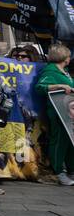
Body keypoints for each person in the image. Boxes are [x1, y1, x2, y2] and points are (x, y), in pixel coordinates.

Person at [35, 44, 74, 186]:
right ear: (64, 58)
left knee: (70, 141)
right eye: (69, 56)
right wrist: (60, 86)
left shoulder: (64, 71)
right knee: (59, 141)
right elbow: (40, 87)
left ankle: (71, 170)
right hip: (58, 112)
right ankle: (59, 171)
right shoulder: (50, 71)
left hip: (69, 112)